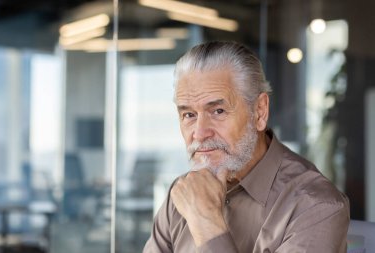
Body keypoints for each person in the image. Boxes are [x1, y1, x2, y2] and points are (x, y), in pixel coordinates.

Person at [143, 41, 350, 253]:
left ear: (259, 112)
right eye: (189, 115)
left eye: (218, 111)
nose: (200, 132)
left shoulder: (317, 206)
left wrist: (206, 223)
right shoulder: (184, 192)